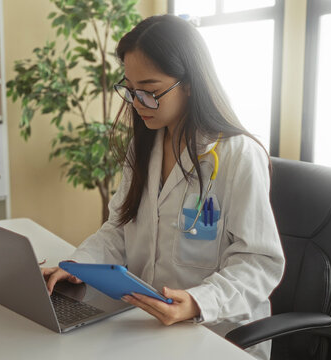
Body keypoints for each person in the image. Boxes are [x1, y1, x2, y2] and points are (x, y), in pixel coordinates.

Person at [42, 15, 285, 360]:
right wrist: (78, 264)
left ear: (189, 83)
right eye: (131, 89)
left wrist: (199, 301)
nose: (138, 103)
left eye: (151, 91)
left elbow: (259, 262)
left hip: (217, 335)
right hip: (147, 326)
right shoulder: (144, 147)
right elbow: (118, 230)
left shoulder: (238, 154)